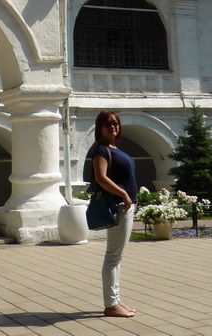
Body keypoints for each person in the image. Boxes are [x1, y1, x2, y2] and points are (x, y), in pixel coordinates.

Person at [91, 110, 137, 318]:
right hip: (119, 206)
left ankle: (116, 299)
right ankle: (111, 304)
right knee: (113, 257)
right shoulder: (101, 150)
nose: (113, 127)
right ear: (100, 127)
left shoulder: (113, 149)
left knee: (117, 257)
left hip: (125, 205)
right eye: (108, 124)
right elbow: (101, 178)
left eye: (116, 123)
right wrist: (124, 195)